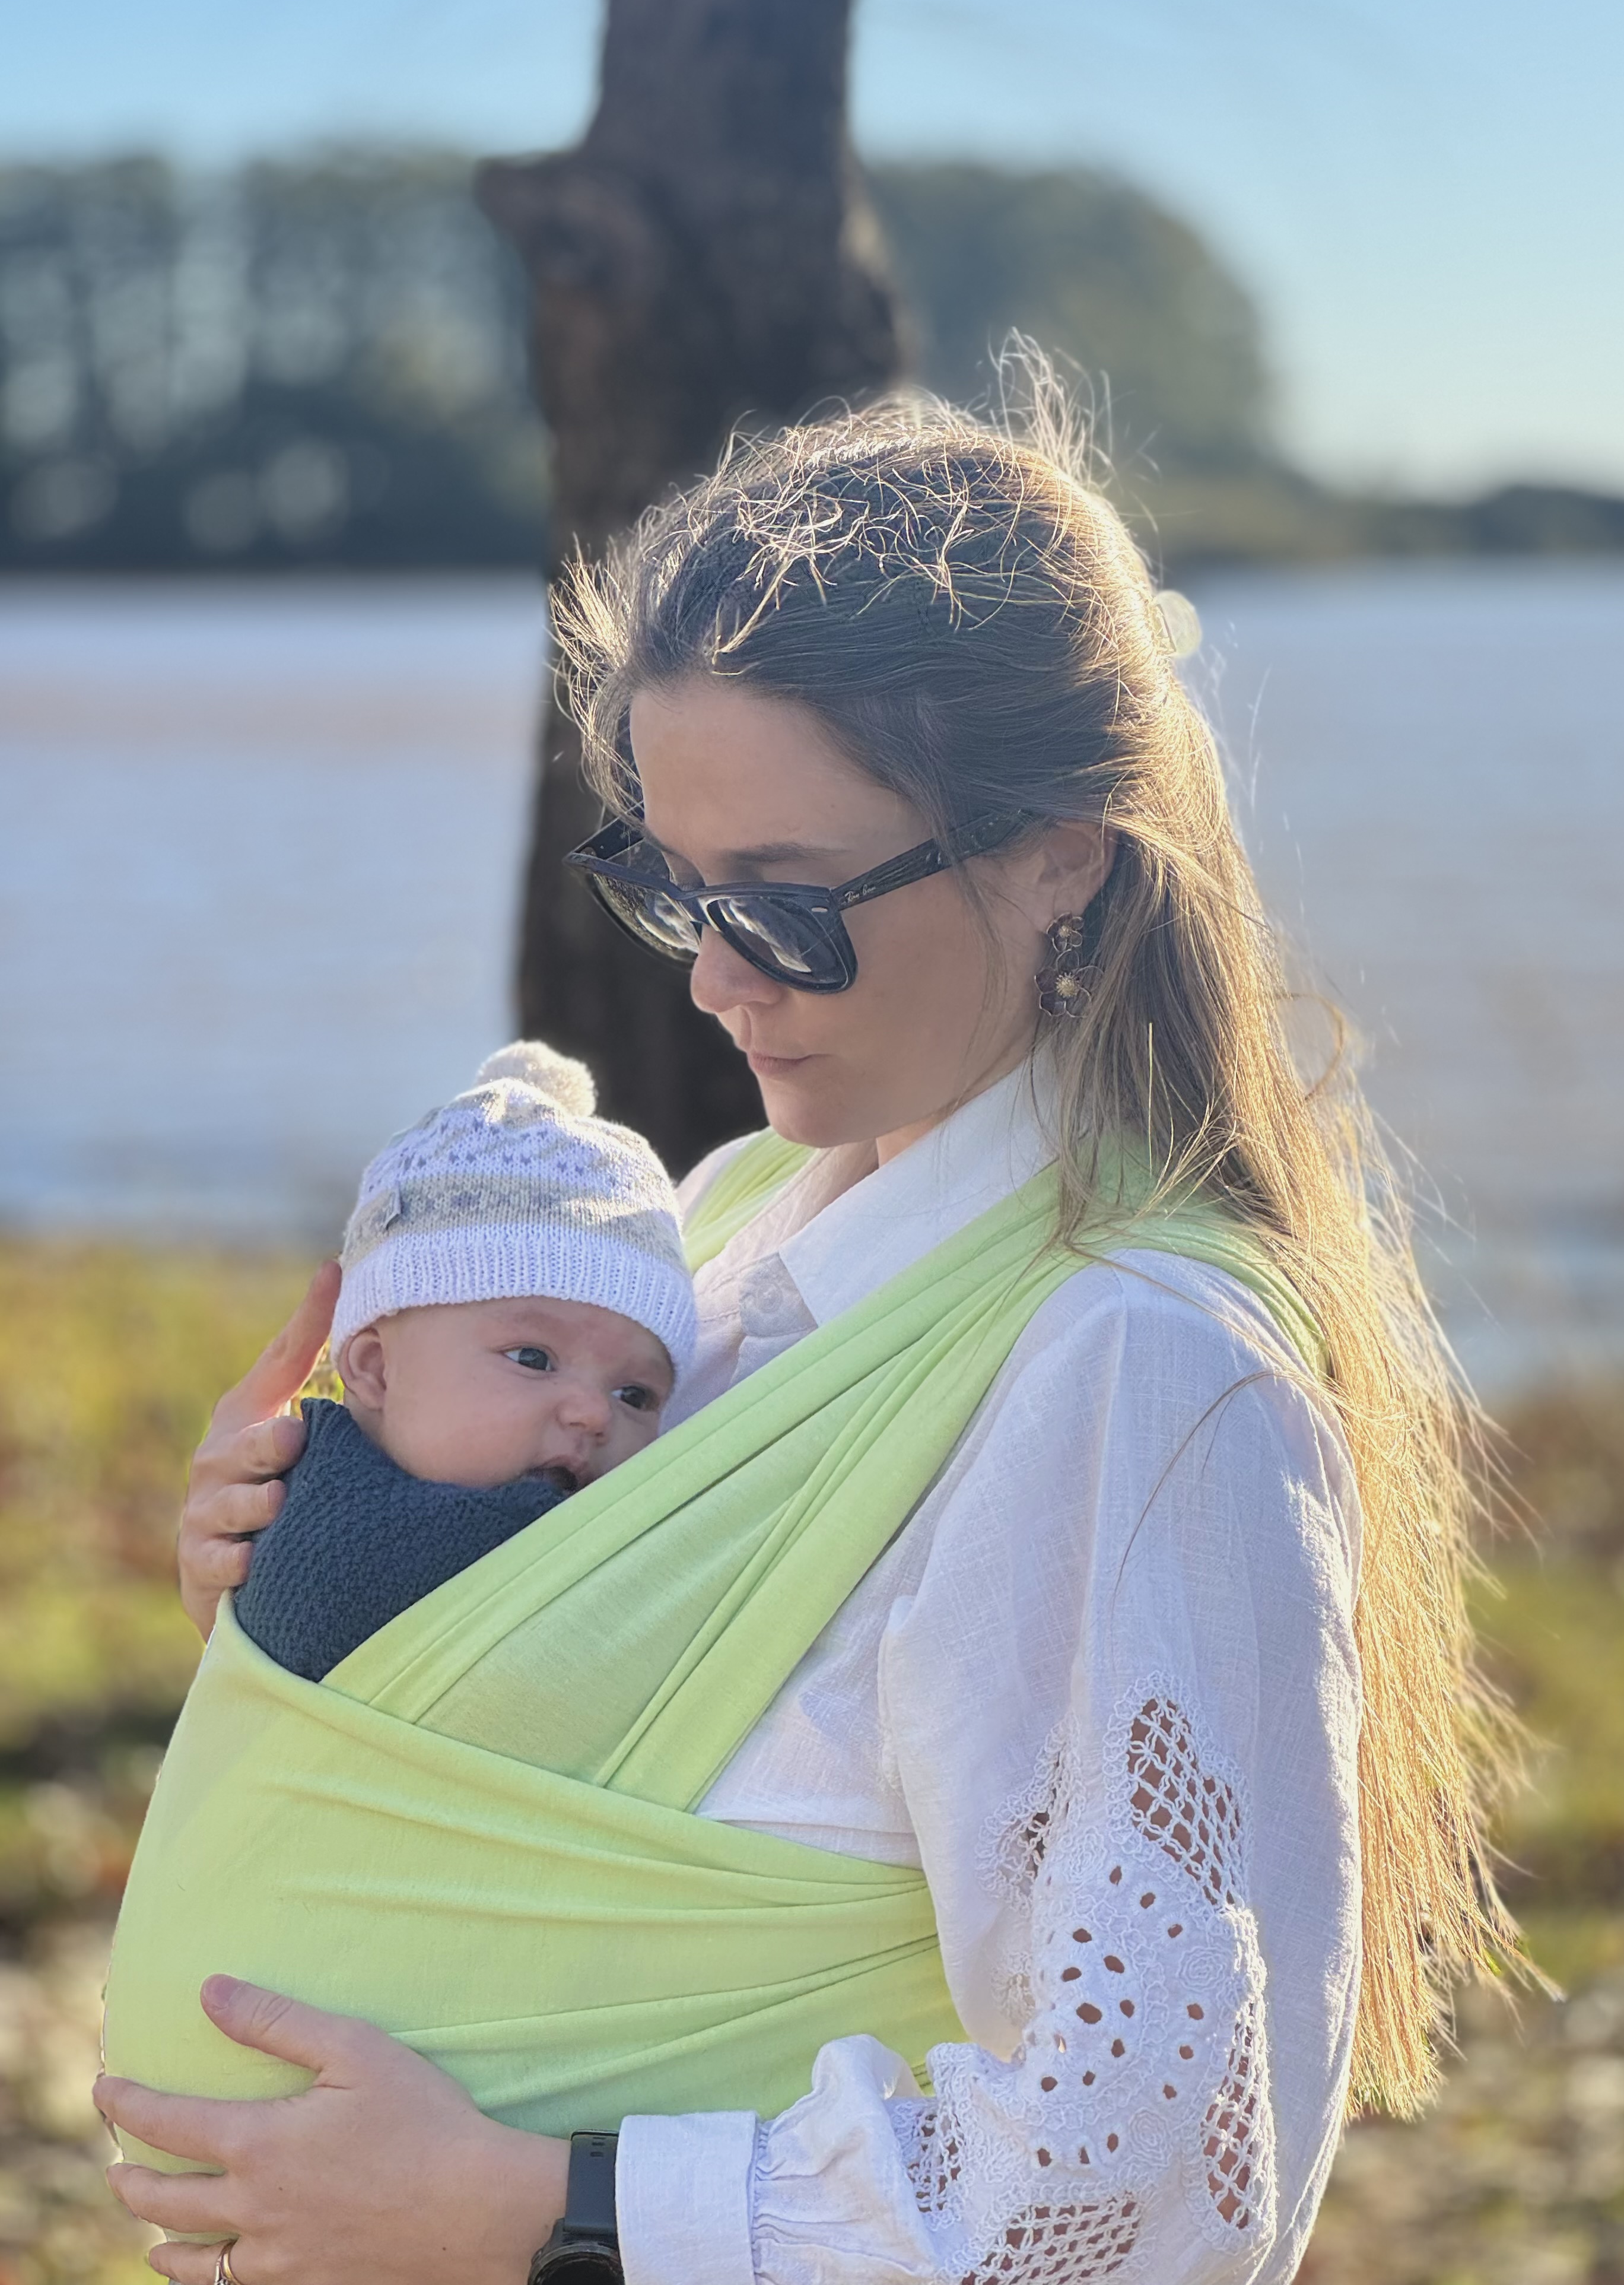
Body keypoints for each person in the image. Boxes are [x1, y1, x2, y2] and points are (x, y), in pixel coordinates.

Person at [97, 377, 1520, 2285]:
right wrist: (328, 1567)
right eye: (675, 888)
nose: (709, 980)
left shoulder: (1136, 1371)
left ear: (1060, 856)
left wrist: (542, 2209)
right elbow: (612, 1754)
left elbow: (1153, 2201)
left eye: (785, 906)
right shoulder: (734, 1226)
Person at [231, 1039, 695, 1683]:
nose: (593, 1415)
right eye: (533, 1358)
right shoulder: (340, 1543)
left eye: (635, 1395)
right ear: (376, 1370)